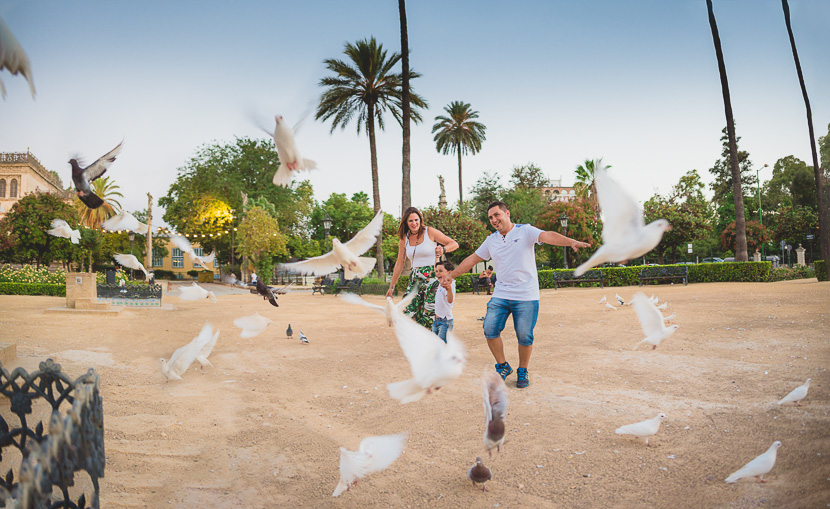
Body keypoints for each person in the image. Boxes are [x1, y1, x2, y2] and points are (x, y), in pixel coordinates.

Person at [444, 201, 590, 389]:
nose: (494, 220)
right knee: (490, 328)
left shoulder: (525, 231)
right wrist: (450, 276)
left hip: (526, 295)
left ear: (507, 213)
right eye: (490, 218)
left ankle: (523, 369)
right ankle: (503, 366)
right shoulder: (492, 240)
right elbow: (472, 259)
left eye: (497, 215)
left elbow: (547, 236)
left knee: (524, 335)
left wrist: (571, 242)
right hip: (501, 293)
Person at [387, 207, 459, 328]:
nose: (414, 223)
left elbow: (454, 244)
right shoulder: (404, 238)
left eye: (416, 220)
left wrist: (443, 249)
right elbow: (399, 263)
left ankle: (433, 344)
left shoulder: (429, 232)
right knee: (407, 311)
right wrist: (391, 286)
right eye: (410, 221)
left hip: (432, 278)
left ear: (420, 220)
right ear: (406, 222)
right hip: (415, 279)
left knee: (429, 316)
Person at [432, 260, 456, 343]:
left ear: (449, 273)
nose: (438, 273)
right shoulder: (441, 282)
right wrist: (437, 257)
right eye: (437, 271)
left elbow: (450, 300)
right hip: (436, 320)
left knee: (441, 344)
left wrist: (448, 289)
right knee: (435, 343)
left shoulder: (450, 284)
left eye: (440, 271)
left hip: (445, 321)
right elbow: (435, 266)